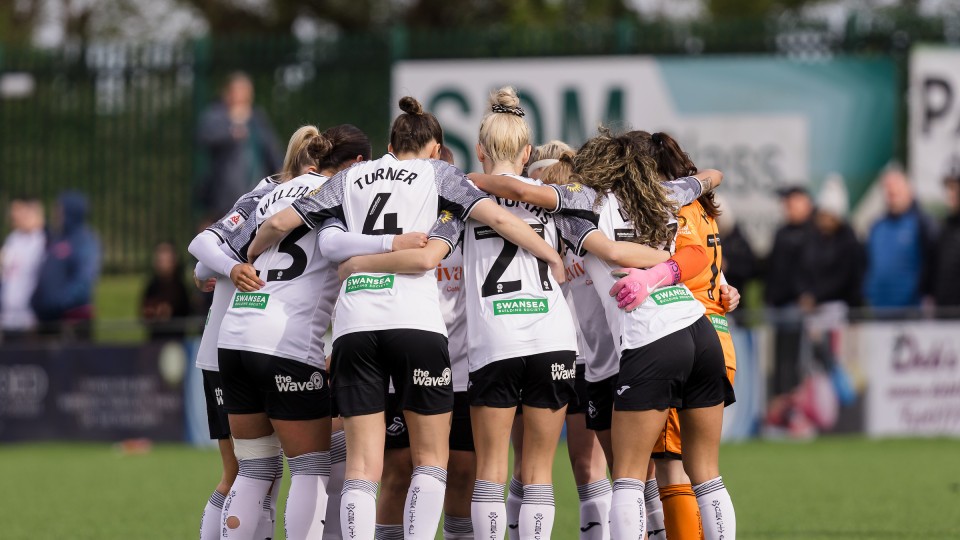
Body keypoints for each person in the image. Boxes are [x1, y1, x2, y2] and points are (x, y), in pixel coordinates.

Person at [250, 96, 565, 540]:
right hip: (415, 324)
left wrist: (250, 253)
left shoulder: (354, 176)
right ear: (436, 148)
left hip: (355, 324)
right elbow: (496, 216)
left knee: (362, 467)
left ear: (391, 143)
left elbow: (282, 222)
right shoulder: (438, 174)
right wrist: (548, 252)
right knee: (431, 462)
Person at [468, 128, 732, 540]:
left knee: (626, 480)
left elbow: (532, 198)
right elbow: (711, 177)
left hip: (649, 339)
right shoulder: (663, 195)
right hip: (697, 331)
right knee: (708, 476)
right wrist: (667, 267)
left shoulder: (584, 202)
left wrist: (472, 180)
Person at [506, 139, 616, 540]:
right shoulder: (573, 217)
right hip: (573, 355)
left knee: (530, 466)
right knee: (588, 470)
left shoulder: (562, 217)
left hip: (555, 351)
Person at [372, 146, 477, 540]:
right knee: (398, 471)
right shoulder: (402, 228)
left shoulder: (468, 222)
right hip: (405, 367)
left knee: (464, 473)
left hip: (463, 369)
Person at [197, 72, 283, 219]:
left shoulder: (257, 117)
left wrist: (281, 170)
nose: (244, 97)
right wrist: (233, 127)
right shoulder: (216, 114)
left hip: (257, 192)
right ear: (227, 94)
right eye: (239, 92)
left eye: (247, 92)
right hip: (226, 196)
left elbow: (271, 148)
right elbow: (203, 136)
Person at [764, 185, 815, 398]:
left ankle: (800, 407)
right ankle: (784, 407)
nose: (787, 207)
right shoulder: (782, 232)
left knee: (800, 361)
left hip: (802, 309)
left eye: (791, 202)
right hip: (779, 306)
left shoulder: (815, 232)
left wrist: (810, 294)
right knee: (781, 361)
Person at [863, 167, 937, 313]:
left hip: (911, 312)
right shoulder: (876, 227)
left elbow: (933, 264)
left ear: (909, 189)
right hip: (879, 311)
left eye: (896, 185)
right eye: (887, 187)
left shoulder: (922, 224)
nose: (891, 191)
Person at [31, 191, 101, 340]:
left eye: (59, 209)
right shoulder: (58, 238)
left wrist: (58, 302)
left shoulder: (84, 241)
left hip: (71, 320)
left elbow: (84, 280)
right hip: (49, 318)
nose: (56, 214)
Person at [1, 195, 46, 342]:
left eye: (18, 210)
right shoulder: (12, 239)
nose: (13, 215)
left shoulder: (43, 241)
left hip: (29, 319)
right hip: (7, 318)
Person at [140, 241, 192, 341]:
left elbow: (187, 311)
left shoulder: (180, 287)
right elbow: (144, 313)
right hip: (155, 339)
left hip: (176, 339)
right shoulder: (152, 286)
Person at [934, 173, 960, 313]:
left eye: (955, 189)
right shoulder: (943, 229)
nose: (951, 194)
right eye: (948, 188)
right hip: (945, 318)